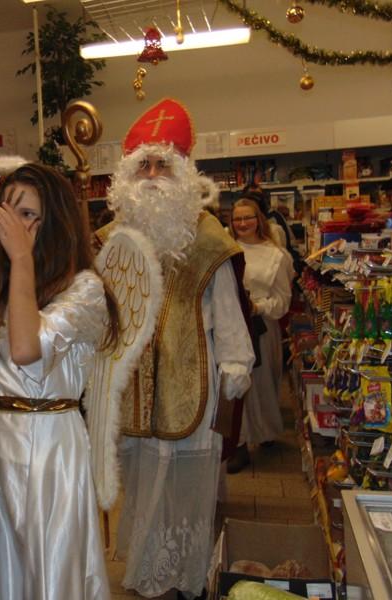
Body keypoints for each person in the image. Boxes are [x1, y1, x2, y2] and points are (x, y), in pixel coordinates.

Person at [101, 98, 255, 600]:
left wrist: (236, 360)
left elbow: (228, 309)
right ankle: (149, 571)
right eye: (142, 165)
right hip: (132, 386)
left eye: (162, 165)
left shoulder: (208, 239)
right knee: (141, 480)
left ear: (183, 172)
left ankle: (183, 575)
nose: (151, 176)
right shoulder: (112, 239)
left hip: (191, 380)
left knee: (183, 484)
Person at [0, 163, 118, 600]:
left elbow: (26, 350)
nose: (12, 224)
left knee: (50, 568)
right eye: (7, 211)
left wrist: (21, 260)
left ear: (56, 223)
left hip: (49, 446)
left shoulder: (85, 289)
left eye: (27, 214)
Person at [227, 199, 293, 473]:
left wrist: (258, 307)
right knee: (234, 385)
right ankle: (239, 444)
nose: (242, 223)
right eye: (237, 218)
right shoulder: (225, 251)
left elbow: (283, 300)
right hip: (231, 328)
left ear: (259, 220)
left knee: (263, 385)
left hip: (262, 328)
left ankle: (264, 431)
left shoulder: (276, 256)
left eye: (248, 218)